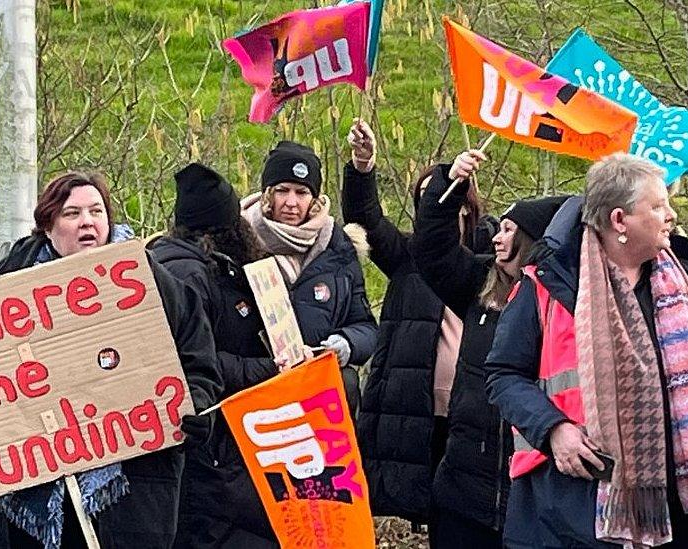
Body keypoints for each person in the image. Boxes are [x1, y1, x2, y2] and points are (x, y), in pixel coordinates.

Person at [0, 171, 222, 549]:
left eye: (97, 211)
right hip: (25, 511)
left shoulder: (153, 283)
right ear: (47, 227)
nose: (88, 222)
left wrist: (197, 409)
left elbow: (200, 368)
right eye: (72, 214)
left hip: (128, 501)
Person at [485, 153, 688, 548]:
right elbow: (503, 376)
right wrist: (553, 430)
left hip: (687, 507)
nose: (671, 216)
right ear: (619, 221)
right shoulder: (548, 284)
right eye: (658, 206)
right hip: (578, 506)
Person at [340, 120, 496, 526]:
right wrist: (362, 165)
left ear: (463, 203)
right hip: (419, 409)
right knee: (429, 507)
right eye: (423, 198)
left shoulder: (496, 257)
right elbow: (365, 218)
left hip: (475, 409)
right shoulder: (407, 256)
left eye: (439, 196)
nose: (431, 207)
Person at [410, 147, 568, 547]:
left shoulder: (568, 304)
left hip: (533, 495)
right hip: (463, 491)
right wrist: (449, 183)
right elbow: (431, 250)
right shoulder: (479, 283)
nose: (497, 236)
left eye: (511, 230)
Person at [148, 162, 280, 548]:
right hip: (209, 437)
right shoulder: (191, 276)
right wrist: (269, 368)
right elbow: (196, 357)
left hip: (217, 439)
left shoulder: (197, 264)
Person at [240, 140, 377, 414]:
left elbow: (365, 326)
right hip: (256, 394)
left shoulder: (338, 248)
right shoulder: (239, 241)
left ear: (313, 199)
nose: (291, 203)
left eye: (301, 192)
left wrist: (346, 344)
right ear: (267, 194)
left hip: (319, 399)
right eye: (282, 191)